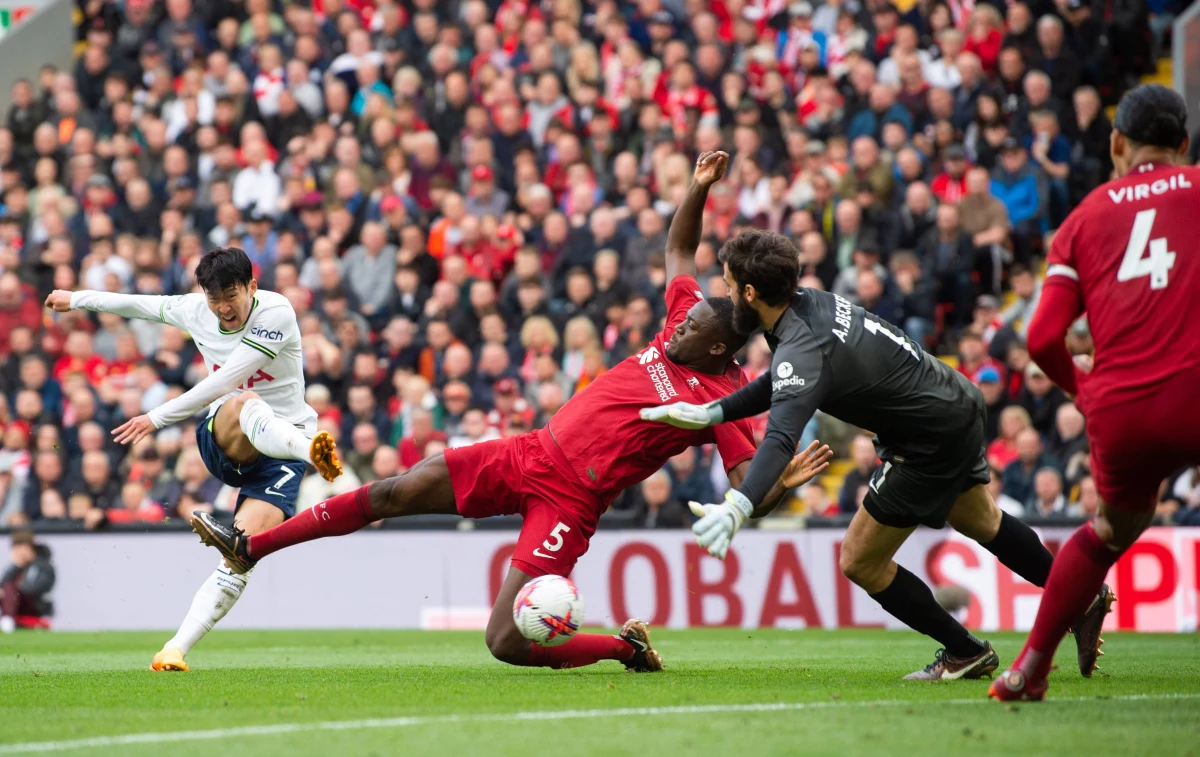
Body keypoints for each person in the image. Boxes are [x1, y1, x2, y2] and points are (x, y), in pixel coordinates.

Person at [191, 153, 832, 673]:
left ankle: (621, 648)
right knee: (390, 491)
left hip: (570, 503)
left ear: (717, 345)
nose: (678, 319)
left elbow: (750, 485)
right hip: (527, 452)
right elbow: (678, 251)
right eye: (684, 314)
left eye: (689, 323)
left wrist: (776, 487)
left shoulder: (724, 399)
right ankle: (252, 547)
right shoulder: (683, 324)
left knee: (506, 641)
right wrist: (696, 188)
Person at [644, 227, 1108, 681]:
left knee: (859, 560)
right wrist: (712, 414)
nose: (723, 292)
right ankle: (1081, 599)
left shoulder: (801, 347)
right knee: (980, 520)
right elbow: (782, 381)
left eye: (727, 284)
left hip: (926, 439)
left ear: (749, 292)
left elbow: (782, 436)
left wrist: (739, 505)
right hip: (954, 401)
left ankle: (966, 652)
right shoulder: (808, 305)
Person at [44, 247, 344, 672]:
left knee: (241, 554)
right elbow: (142, 306)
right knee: (245, 400)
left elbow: (226, 374)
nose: (223, 309)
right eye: (214, 298)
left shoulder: (277, 312)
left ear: (252, 288)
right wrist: (77, 298)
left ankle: (174, 648)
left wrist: (155, 416)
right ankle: (310, 448)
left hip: (279, 455)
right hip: (226, 439)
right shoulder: (196, 310)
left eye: (231, 297)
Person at [992, 85, 1197, 701]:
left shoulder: (1083, 219)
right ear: (1183, 145)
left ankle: (1028, 668)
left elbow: (1043, 334)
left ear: (1116, 146)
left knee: (1109, 530)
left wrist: (1085, 390)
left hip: (1120, 406)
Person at [0, 530, 55, 632]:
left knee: (10, 587)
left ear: (28, 547)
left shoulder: (42, 565)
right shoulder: (15, 567)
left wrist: (16, 588)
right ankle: (7, 619)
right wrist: (17, 566)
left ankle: (7, 619)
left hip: (35, 605)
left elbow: (37, 588)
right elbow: (3, 585)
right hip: (16, 603)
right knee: (8, 587)